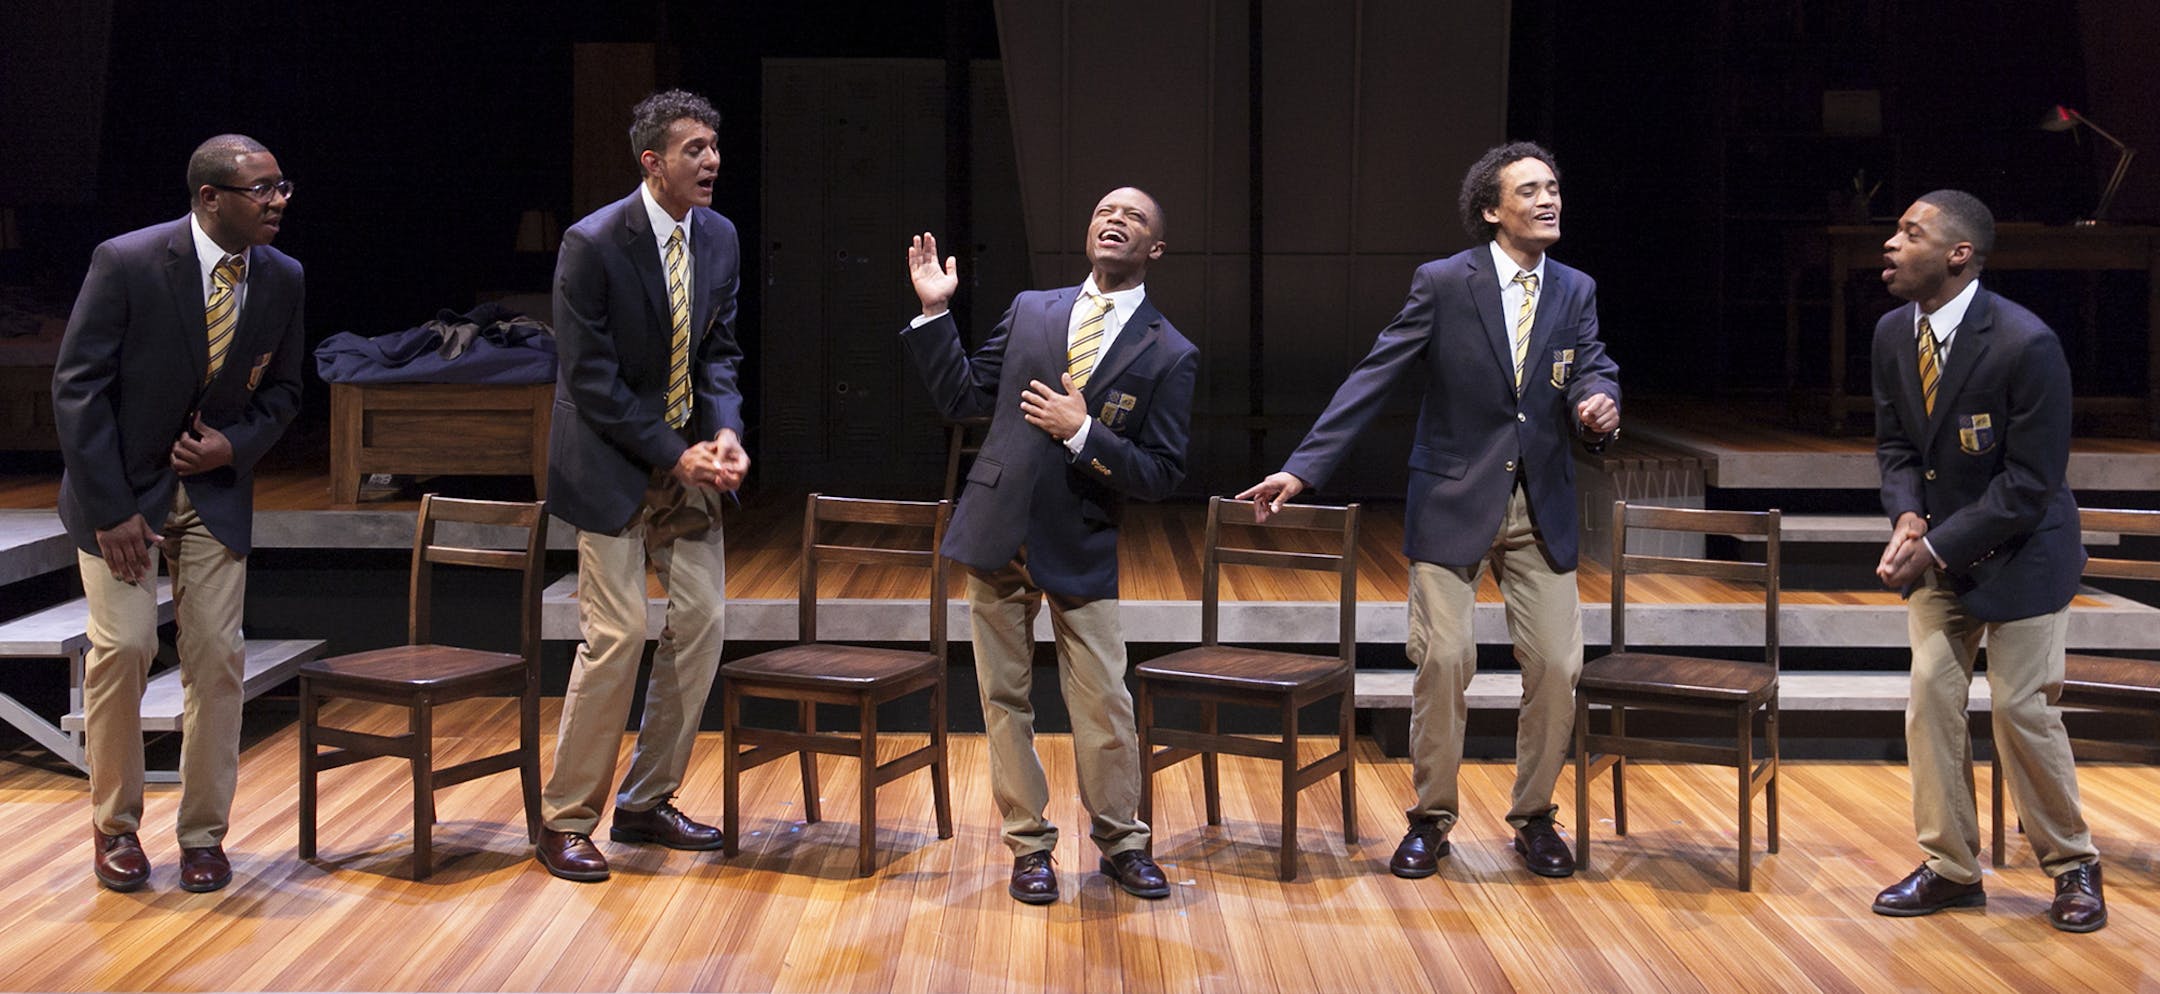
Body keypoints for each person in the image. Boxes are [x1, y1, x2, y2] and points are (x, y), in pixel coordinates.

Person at [1237, 141, 1619, 879]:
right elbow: (1376, 373)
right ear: (1491, 210)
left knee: (1557, 664)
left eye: (1554, 189)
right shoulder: (1446, 283)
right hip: (1453, 495)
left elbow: (1591, 365)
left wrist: (1599, 402)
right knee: (1445, 658)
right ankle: (1431, 818)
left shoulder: (1575, 289)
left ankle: (1535, 816)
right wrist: (1303, 467)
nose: (1549, 201)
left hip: (1540, 503)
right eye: (1531, 191)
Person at [901, 187, 1197, 904]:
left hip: (1080, 538)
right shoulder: (1035, 307)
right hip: (998, 527)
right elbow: (965, 399)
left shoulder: (1171, 351)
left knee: (1103, 704)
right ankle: (1028, 847)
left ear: (1155, 249)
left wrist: (1084, 432)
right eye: (1103, 210)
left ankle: (1123, 843)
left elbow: (1161, 474)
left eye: (1134, 216)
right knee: (1004, 699)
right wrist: (936, 312)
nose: (1114, 218)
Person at [54, 134, 305, 893]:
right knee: (125, 651)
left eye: (281, 186)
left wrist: (233, 446)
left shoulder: (283, 277)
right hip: (120, 497)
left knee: (216, 662)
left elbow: (287, 392)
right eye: (260, 190)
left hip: (213, 498)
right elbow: (78, 389)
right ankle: (116, 828)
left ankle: (202, 835)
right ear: (210, 199)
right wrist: (111, 508)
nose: (278, 201)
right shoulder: (128, 262)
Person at [1867, 190, 2104, 932]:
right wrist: (1907, 513)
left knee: (2018, 707)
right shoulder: (1889, 335)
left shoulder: (2025, 344)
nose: (1892, 245)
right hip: (1944, 550)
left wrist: (1933, 545)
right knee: (1930, 697)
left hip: (2026, 553)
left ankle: (2072, 865)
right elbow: (1897, 445)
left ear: (1958, 254)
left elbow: (2029, 484)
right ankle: (1951, 867)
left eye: (1911, 233)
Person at [536, 89, 748, 882]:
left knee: (702, 622)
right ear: (652, 161)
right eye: (695, 148)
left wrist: (723, 431)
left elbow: (720, 350)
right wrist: (673, 451)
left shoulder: (719, 236)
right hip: (609, 462)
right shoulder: (593, 243)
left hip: (686, 459)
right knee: (618, 634)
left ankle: (646, 800)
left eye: (715, 147)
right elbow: (589, 381)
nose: (712, 161)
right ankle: (566, 820)